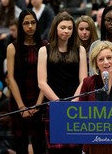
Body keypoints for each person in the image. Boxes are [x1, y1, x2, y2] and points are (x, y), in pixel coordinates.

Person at [37, 11, 87, 154]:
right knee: (56, 151)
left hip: (75, 106)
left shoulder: (80, 50)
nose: (66, 31)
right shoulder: (44, 50)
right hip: (54, 106)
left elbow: (83, 80)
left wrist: (74, 101)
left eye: (70, 28)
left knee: (76, 149)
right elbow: (42, 83)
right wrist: (58, 103)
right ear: (55, 28)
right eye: (63, 27)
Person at [7, 10, 45, 154]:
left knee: (40, 144)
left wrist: (38, 104)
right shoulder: (13, 47)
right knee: (20, 144)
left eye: (33, 22)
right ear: (20, 26)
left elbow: (45, 78)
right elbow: (11, 79)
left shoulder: (44, 45)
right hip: (19, 98)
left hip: (39, 96)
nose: (30, 26)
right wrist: (21, 106)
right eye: (26, 23)